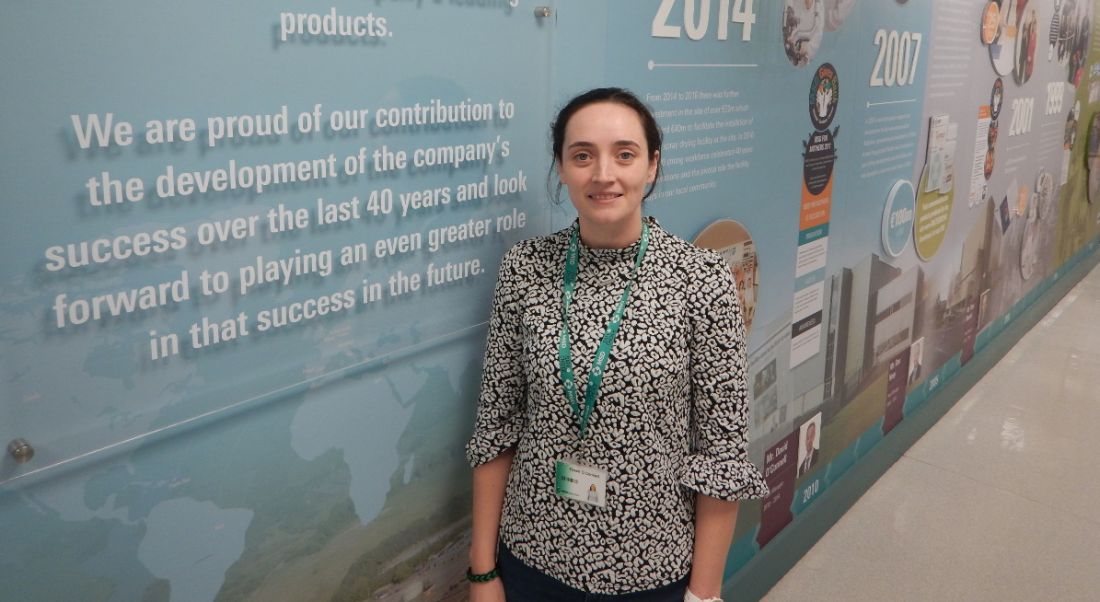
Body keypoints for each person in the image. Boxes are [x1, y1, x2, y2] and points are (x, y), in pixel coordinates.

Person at [465, 87, 768, 602]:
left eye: (624, 154)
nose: (603, 174)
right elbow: (497, 425)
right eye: (582, 155)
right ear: (561, 168)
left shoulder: (702, 280)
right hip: (531, 558)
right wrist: (482, 571)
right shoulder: (525, 269)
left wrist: (704, 593)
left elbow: (722, 453)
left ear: (652, 166)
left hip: (651, 570)